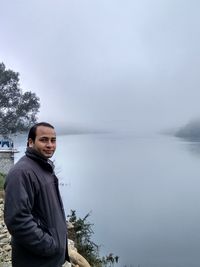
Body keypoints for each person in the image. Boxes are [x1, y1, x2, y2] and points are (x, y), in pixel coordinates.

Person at [4, 122, 70, 267]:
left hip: (49, 260)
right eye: (43, 140)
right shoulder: (22, 172)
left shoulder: (43, 167)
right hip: (36, 261)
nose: (50, 145)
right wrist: (50, 245)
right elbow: (17, 220)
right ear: (30, 142)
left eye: (53, 140)